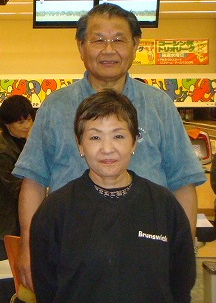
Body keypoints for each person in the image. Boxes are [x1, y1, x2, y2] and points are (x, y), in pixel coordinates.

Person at [12, 3, 206, 291]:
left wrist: (182, 250)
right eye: (98, 40)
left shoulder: (160, 106)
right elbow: (34, 182)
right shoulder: (55, 107)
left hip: (147, 255)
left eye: (118, 39)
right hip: (73, 258)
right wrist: (28, 247)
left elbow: (182, 184)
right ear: (81, 47)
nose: (108, 49)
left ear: (135, 45)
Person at [30, 90, 195, 302]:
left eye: (118, 136)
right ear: (80, 145)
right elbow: (46, 288)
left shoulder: (164, 205)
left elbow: (181, 282)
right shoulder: (54, 210)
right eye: (95, 137)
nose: (107, 149)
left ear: (134, 142)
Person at [0, 95, 34, 303]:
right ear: (6, 124)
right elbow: (18, 189)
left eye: (28, 119)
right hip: (1, 224)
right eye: (20, 122)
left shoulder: (21, 143)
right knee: (6, 278)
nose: (26, 125)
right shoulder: (2, 152)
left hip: (13, 221)